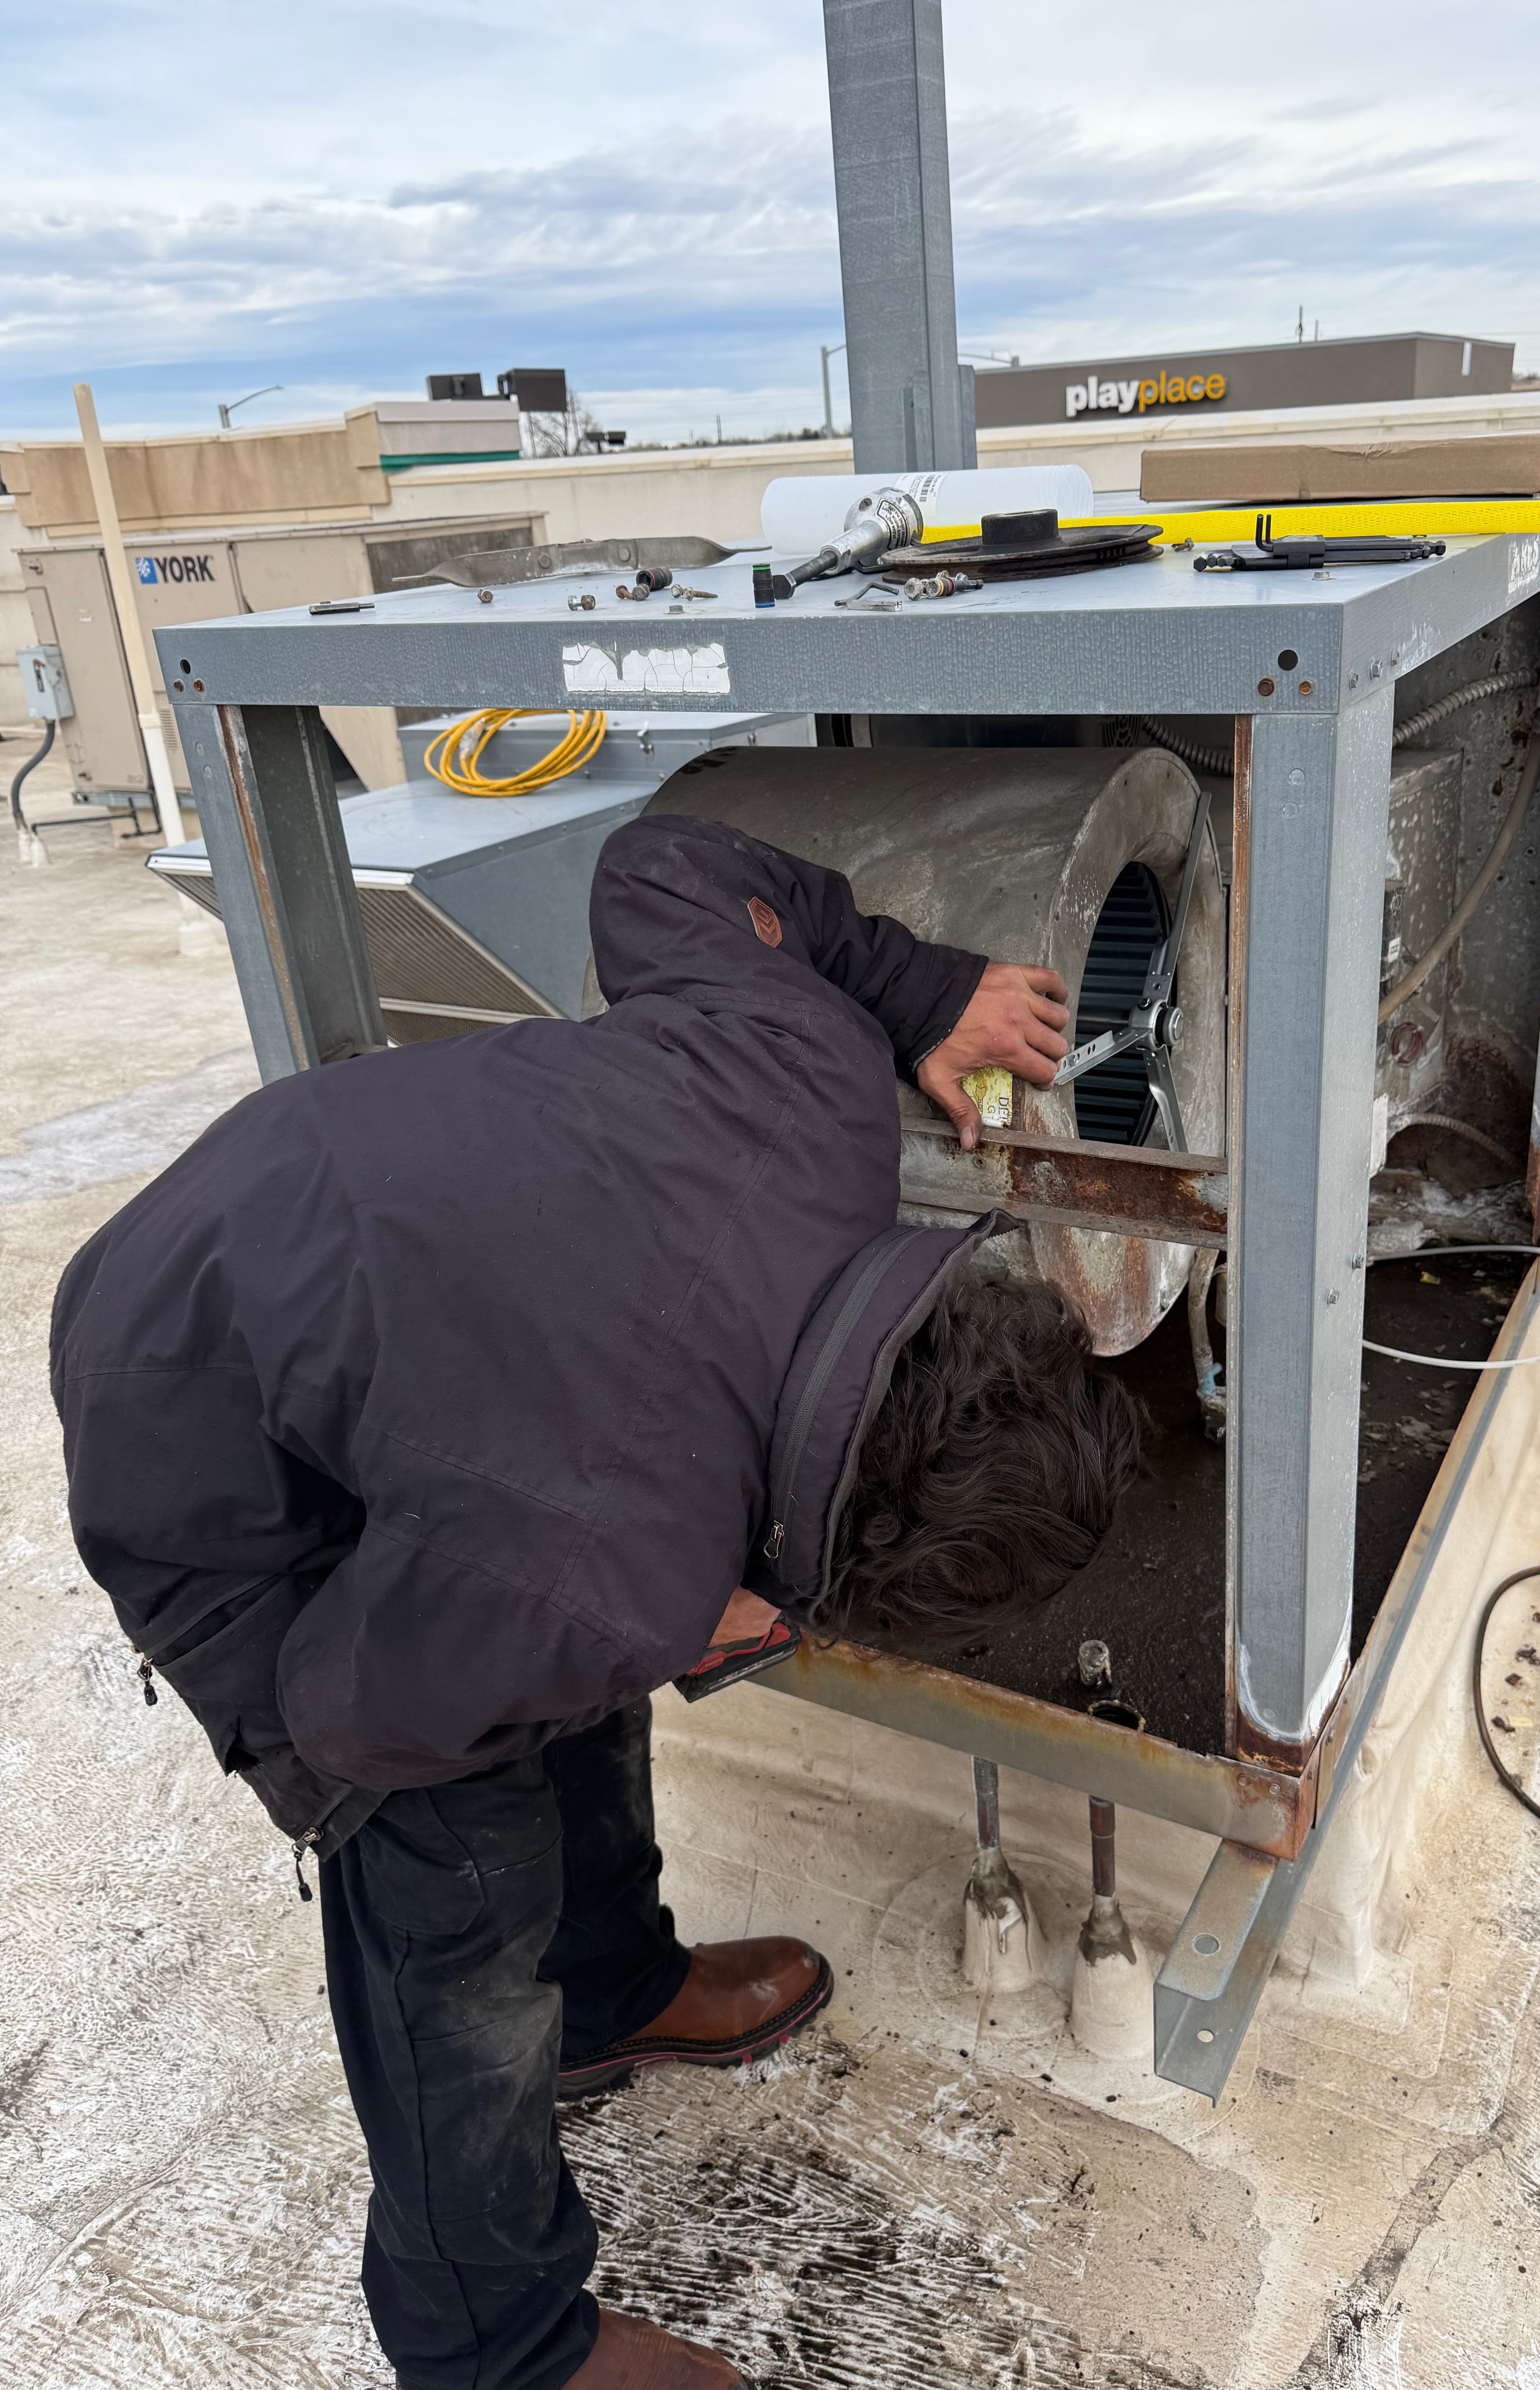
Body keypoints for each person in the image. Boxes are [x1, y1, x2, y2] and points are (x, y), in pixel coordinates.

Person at [50, 813, 1142, 2390]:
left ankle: (608, 1993)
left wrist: (918, 991)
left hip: (300, 1240)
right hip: (183, 1421)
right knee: (453, 1870)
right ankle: (493, 2342)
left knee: (567, 1645)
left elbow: (668, 869)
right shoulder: (610, 1562)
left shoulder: (819, 1079)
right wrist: (641, 1613)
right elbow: (351, 1708)